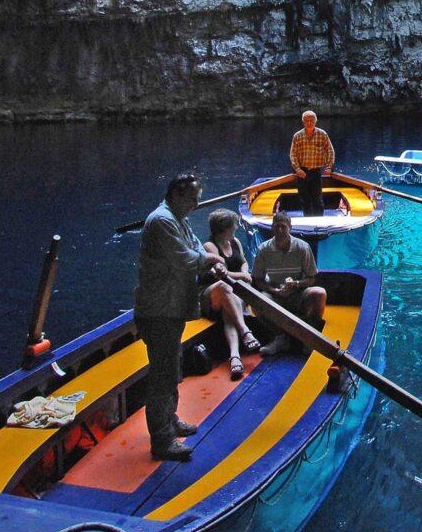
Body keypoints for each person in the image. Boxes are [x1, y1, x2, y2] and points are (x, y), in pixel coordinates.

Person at [134, 173, 209, 461]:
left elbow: (197, 246)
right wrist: (209, 260)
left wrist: (204, 256)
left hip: (173, 306)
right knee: (163, 374)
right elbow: (186, 259)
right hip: (159, 309)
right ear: (176, 195)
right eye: (192, 199)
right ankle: (162, 440)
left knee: (172, 366)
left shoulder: (179, 218)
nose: (196, 205)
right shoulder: (162, 221)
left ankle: (171, 419)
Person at [253, 210, 326, 358]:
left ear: (290, 228)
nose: (280, 231)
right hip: (276, 294)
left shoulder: (302, 247)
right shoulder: (264, 249)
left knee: (319, 293)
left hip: (298, 292)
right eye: (277, 227)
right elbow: (258, 280)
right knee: (256, 300)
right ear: (272, 228)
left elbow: (311, 278)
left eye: (283, 227)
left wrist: (296, 284)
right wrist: (274, 290)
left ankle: (310, 336)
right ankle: (280, 337)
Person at [200, 209, 261, 381]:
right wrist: (242, 276)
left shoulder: (234, 241)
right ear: (225, 228)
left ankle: (235, 356)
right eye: (233, 225)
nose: (236, 228)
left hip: (232, 292)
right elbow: (220, 274)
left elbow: (243, 262)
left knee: (230, 307)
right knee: (223, 287)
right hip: (211, 293)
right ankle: (245, 331)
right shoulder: (210, 246)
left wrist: (245, 272)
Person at [289, 109, 335, 216]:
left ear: (315, 121)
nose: (309, 123)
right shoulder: (297, 136)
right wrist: (297, 169)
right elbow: (293, 154)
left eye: (312, 120)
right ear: (303, 122)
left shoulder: (322, 134)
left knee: (317, 200)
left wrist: (329, 167)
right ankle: (307, 223)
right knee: (305, 200)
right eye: (306, 121)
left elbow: (330, 151)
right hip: (302, 172)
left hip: (315, 172)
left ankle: (319, 223)